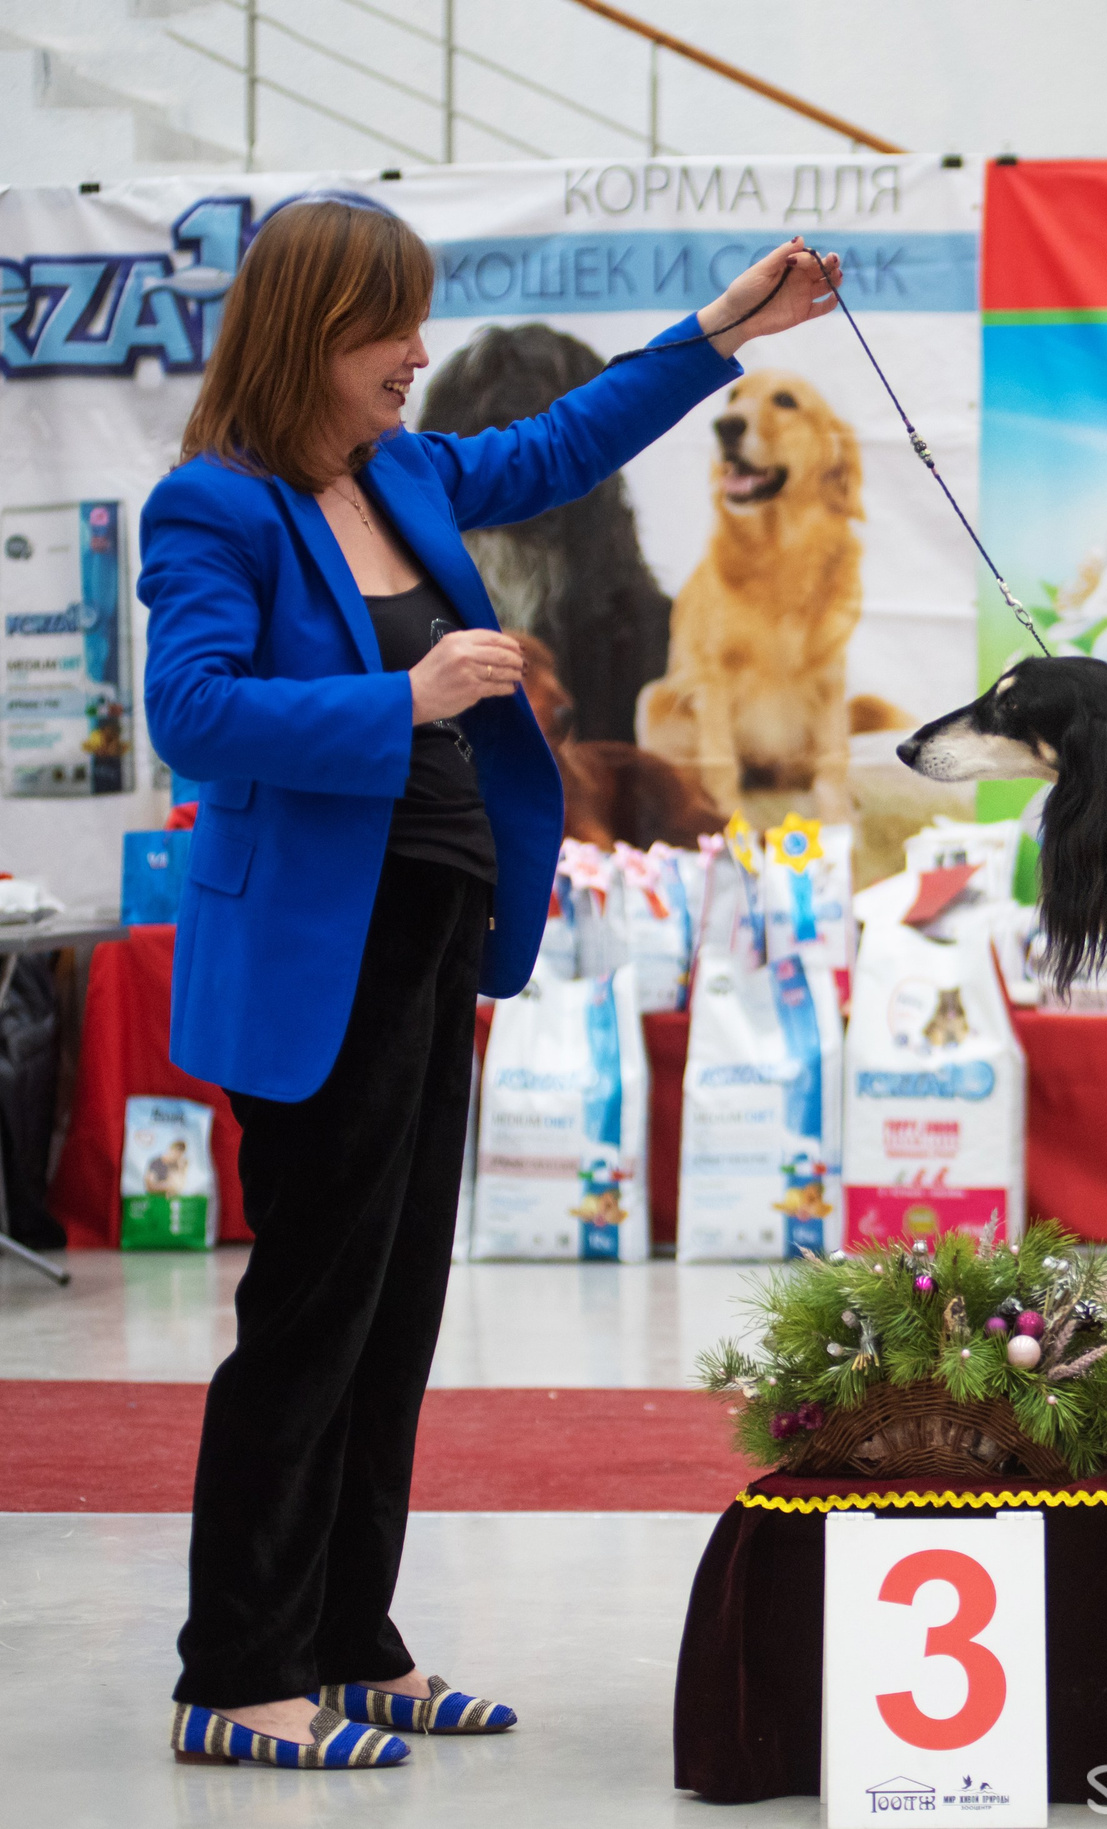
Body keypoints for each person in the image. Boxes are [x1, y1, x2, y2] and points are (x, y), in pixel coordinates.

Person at [140, 198, 841, 1770]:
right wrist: (399, 697)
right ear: (309, 336)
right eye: (392, 329)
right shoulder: (215, 507)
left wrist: (723, 331)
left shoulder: (407, 473)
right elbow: (192, 711)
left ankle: (348, 1636)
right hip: (327, 955)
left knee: (396, 1314)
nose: (418, 356)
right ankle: (236, 1667)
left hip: (435, 929)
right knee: (311, 1315)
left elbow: (571, 437)